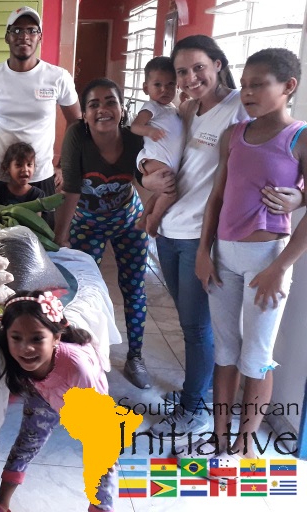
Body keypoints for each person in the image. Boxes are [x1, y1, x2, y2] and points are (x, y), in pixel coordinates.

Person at [141, 35, 302, 443]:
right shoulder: (189, 110)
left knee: (211, 335)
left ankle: (202, 414)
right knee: (199, 328)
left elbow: (275, 167)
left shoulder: (241, 110)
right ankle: (205, 407)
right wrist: (147, 176)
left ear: (217, 65)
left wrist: (299, 196)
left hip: (223, 240)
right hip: (181, 232)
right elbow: (175, 160)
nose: (191, 78)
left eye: (199, 68)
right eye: (182, 71)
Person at [195, 48, 305, 461]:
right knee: (225, 351)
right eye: (244, 85)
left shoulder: (299, 136)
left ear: (288, 86)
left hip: (267, 261)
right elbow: (216, 197)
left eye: (259, 84)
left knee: (256, 357)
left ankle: (246, 443)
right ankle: (220, 436)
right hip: (224, 257)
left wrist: (281, 267)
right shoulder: (234, 135)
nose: (248, 93)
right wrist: (205, 252)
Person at [54, 79, 151, 390]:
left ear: (122, 109)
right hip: (87, 222)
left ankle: (135, 357)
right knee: (80, 289)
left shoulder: (135, 141)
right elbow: (70, 188)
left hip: (129, 221)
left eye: (110, 101)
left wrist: (150, 221)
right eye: (93, 104)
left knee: (133, 287)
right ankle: (80, 355)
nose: (102, 109)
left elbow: (148, 183)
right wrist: (61, 238)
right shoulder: (76, 137)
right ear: (84, 114)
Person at [0, 291, 116, 512]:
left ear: (56, 337)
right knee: (27, 441)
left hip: (86, 405)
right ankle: (1, 503)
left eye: (36, 338)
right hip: (43, 394)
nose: (25, 348)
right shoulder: (11, 355)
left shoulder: (78, 367)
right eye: (16, 338)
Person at [0, 5, 81, 195]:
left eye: (31, 30)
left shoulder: (58, 77)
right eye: (16, 30)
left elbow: (76, 121)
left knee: (41, 225)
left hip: (40, 176)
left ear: (39, 37)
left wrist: (62, 165)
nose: (24, 36)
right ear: (7, 37)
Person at [129, 56, 183, 237]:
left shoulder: (171, 108)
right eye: (157, 85)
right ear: (146, 88)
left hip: (164, 159)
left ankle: (143, 219)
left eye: (170, 85)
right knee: (169, 193)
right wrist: (149, 131)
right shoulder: (151, 107)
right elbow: (135, 127)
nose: (164, 90)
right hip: (154, 158)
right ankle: (154, 220)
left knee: (161, 192)